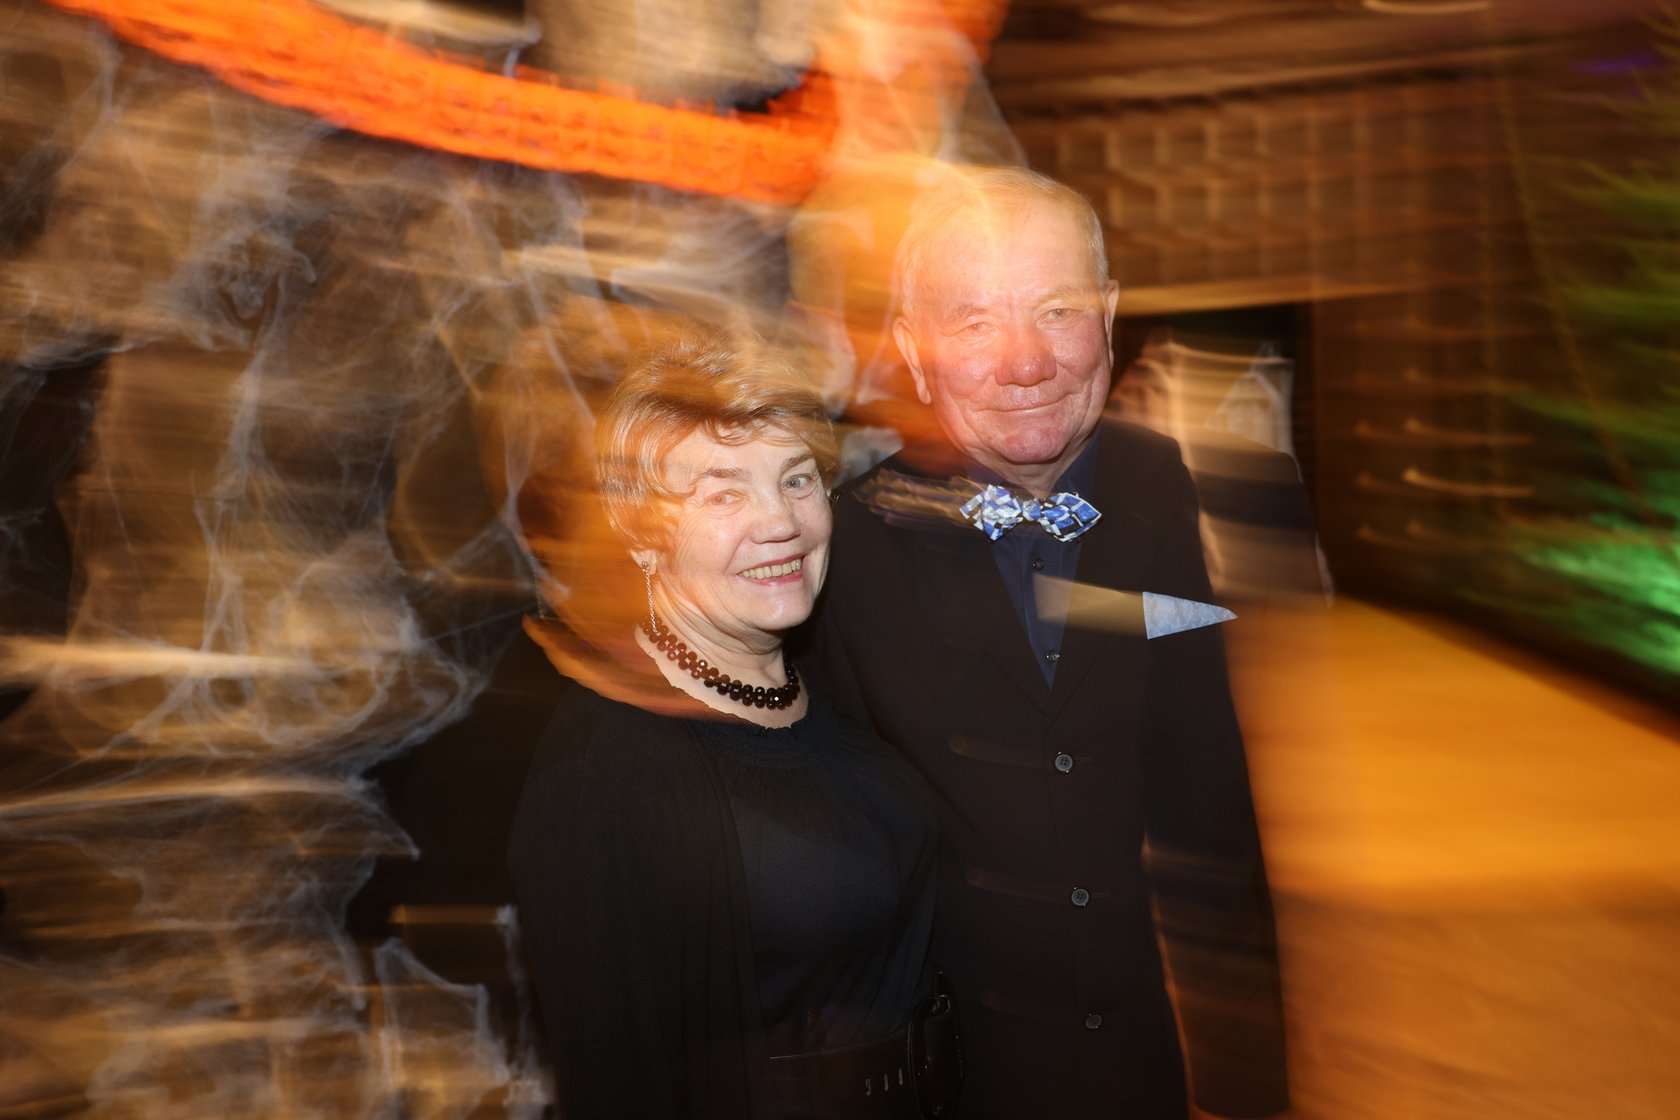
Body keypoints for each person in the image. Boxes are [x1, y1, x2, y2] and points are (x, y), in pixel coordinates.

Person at [804, 167, 1290, 1118]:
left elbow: (1207, 782)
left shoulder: (1153, 479)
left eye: (1057, 311)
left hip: (1135, 1057)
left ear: (1108, 316)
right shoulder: (846, 542)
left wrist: (1247, 1073)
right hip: (957, 1071)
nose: (1026, 363)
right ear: (912, 349)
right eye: (974, 321)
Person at [507, 332, 963, 1119]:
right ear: (642, 534)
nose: (780, 522)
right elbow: (621, 1086)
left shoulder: (826, 683)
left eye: (796, 479)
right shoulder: (602, 777)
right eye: (723, 494)